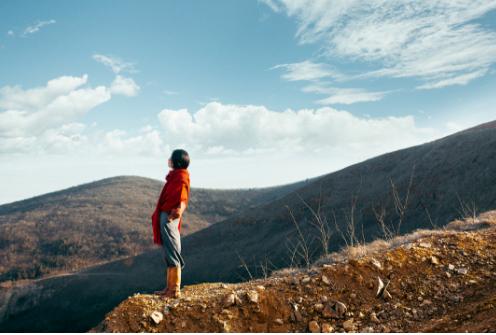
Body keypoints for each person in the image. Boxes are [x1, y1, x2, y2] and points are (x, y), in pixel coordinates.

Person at [151, 149, 190, 298]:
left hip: (169, 218)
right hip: (167, 217)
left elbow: (183, 197)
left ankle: (174, 290)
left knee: (172, 251)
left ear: (176, 162)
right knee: (169, 252)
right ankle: (169, 288)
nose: (168, 160)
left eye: (171, 158)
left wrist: (176, 212)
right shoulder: (175, 176)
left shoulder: (180, 177)